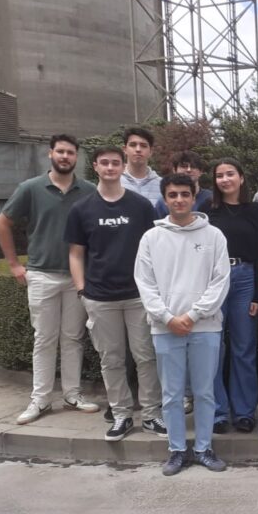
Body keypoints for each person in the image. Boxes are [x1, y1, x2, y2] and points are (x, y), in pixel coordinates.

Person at [0, 134, 101, 425]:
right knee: (44, 338)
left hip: (77, 278)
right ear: (50, 154)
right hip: (41, 274)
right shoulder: (30, 188)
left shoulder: (89, 190)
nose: (65, 156)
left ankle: (72, 395)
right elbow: (2, 223)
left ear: (77, 157)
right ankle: (40, 399)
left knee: (73, 339)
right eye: (60, 151)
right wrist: (15, 264)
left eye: (70, 152)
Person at [134, 173, 231, 476]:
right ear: (165, 199)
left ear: (193, 196)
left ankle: (203, 448)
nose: (179, 200)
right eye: (173, 195)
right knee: (172, 393)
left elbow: (220, 281)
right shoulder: (151, 238)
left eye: (184, 194)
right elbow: (145, 283)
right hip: (165, 328)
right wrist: (167, 317)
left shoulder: (213, 235)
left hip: (205, 326)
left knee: (204, 392)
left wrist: (193, 315)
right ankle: (177, 449)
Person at [65, 145, 163, 441]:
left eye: (115, 163)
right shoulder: (81, 209)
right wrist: (82, 290)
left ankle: (151, 415)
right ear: (95, 166)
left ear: (122, 167)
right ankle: (121, 415)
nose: (110, 167)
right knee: (111, 359)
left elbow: (154, 249)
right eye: (104, 163)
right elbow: (75, 253)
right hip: (100, 297)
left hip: (137, 296)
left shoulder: (141, 206)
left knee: (146, 357)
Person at [202, 158, 258, 435]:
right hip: (214, 279)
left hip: (244, 278)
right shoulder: (207, 211)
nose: (225, 179)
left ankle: (244, 412)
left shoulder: (255, 210)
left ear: (241, 177)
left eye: (230, 174)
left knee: (244, 347)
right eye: (220, 175)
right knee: (214, 348)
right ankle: (217, 412)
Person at [155, 151, 212, 217]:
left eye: (193, 166)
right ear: (174, 170)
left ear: (201, 171)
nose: (189, 170)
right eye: (184, 166)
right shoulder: (163, 203)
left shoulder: (212, 199)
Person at [120, 126, 163, 206]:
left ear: (151, 151)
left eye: (143, 146)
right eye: (133, 145)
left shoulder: (162, 185)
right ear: (125, 149)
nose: (138, 149)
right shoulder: (115, 182)